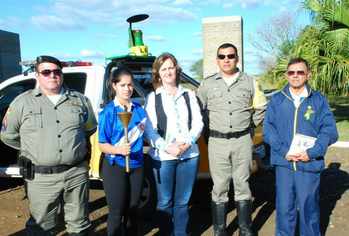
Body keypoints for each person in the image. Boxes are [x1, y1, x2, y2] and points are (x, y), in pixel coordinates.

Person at [0, 55, 97, 236]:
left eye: (56, 71)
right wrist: (35, 148)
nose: (52, 75)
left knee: (80, 224)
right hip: (41, 177)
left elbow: (89, 128)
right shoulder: (22, 102)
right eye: (46, 71)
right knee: (41, 227)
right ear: (37, 76)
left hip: (75, 174)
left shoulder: (80, 100)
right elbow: (8, 135)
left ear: (62, 74)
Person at [197, 43, 267, 236]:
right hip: (217, 142)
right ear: (217, 59)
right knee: (219, 186)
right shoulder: (207, 83)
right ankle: (220, 231)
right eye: (222, 56)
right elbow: (198, 110)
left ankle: (245, 230)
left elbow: (261, 107)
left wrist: (251, 127)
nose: (226, 60)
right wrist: (207, 130)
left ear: (237, 58)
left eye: (230, 56)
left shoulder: (251, 82)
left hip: (242, 140)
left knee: (242, 185)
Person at [262, 58, 338, 236]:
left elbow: (329, 132)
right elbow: (269, 131)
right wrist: (284, 151)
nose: (295, 76)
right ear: (287, 75)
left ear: (308, 74)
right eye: (291, 72)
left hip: (308, 164)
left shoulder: (318, 100)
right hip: (284, 163)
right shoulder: (277, 100)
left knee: (308, 208)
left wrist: (311, 153)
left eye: (300, 72)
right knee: (284, 209)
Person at [144, 53, 203, 236]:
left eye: (171, 67)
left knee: (183, 201)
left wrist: (188, 143)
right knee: (164, 202)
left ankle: (180, 233)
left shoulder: (189, 95)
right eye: (164, 69)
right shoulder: (153, 97)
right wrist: (167, 147)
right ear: (158, 73)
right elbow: (149, 129)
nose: (168, 72)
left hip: (189, 155)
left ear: (176, 69)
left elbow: (198, 122)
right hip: (163, 157)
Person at [98, 67, 146, 236]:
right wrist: (119, 149)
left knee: (133, 212)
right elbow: (102, 145)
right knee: (117, 213)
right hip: (115, 166)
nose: (127, 89)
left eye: (130, 85)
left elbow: (146, 132)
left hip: (137, 165)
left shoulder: (139, 109)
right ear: (114, 86)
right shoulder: (108, 112)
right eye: (123, 85)